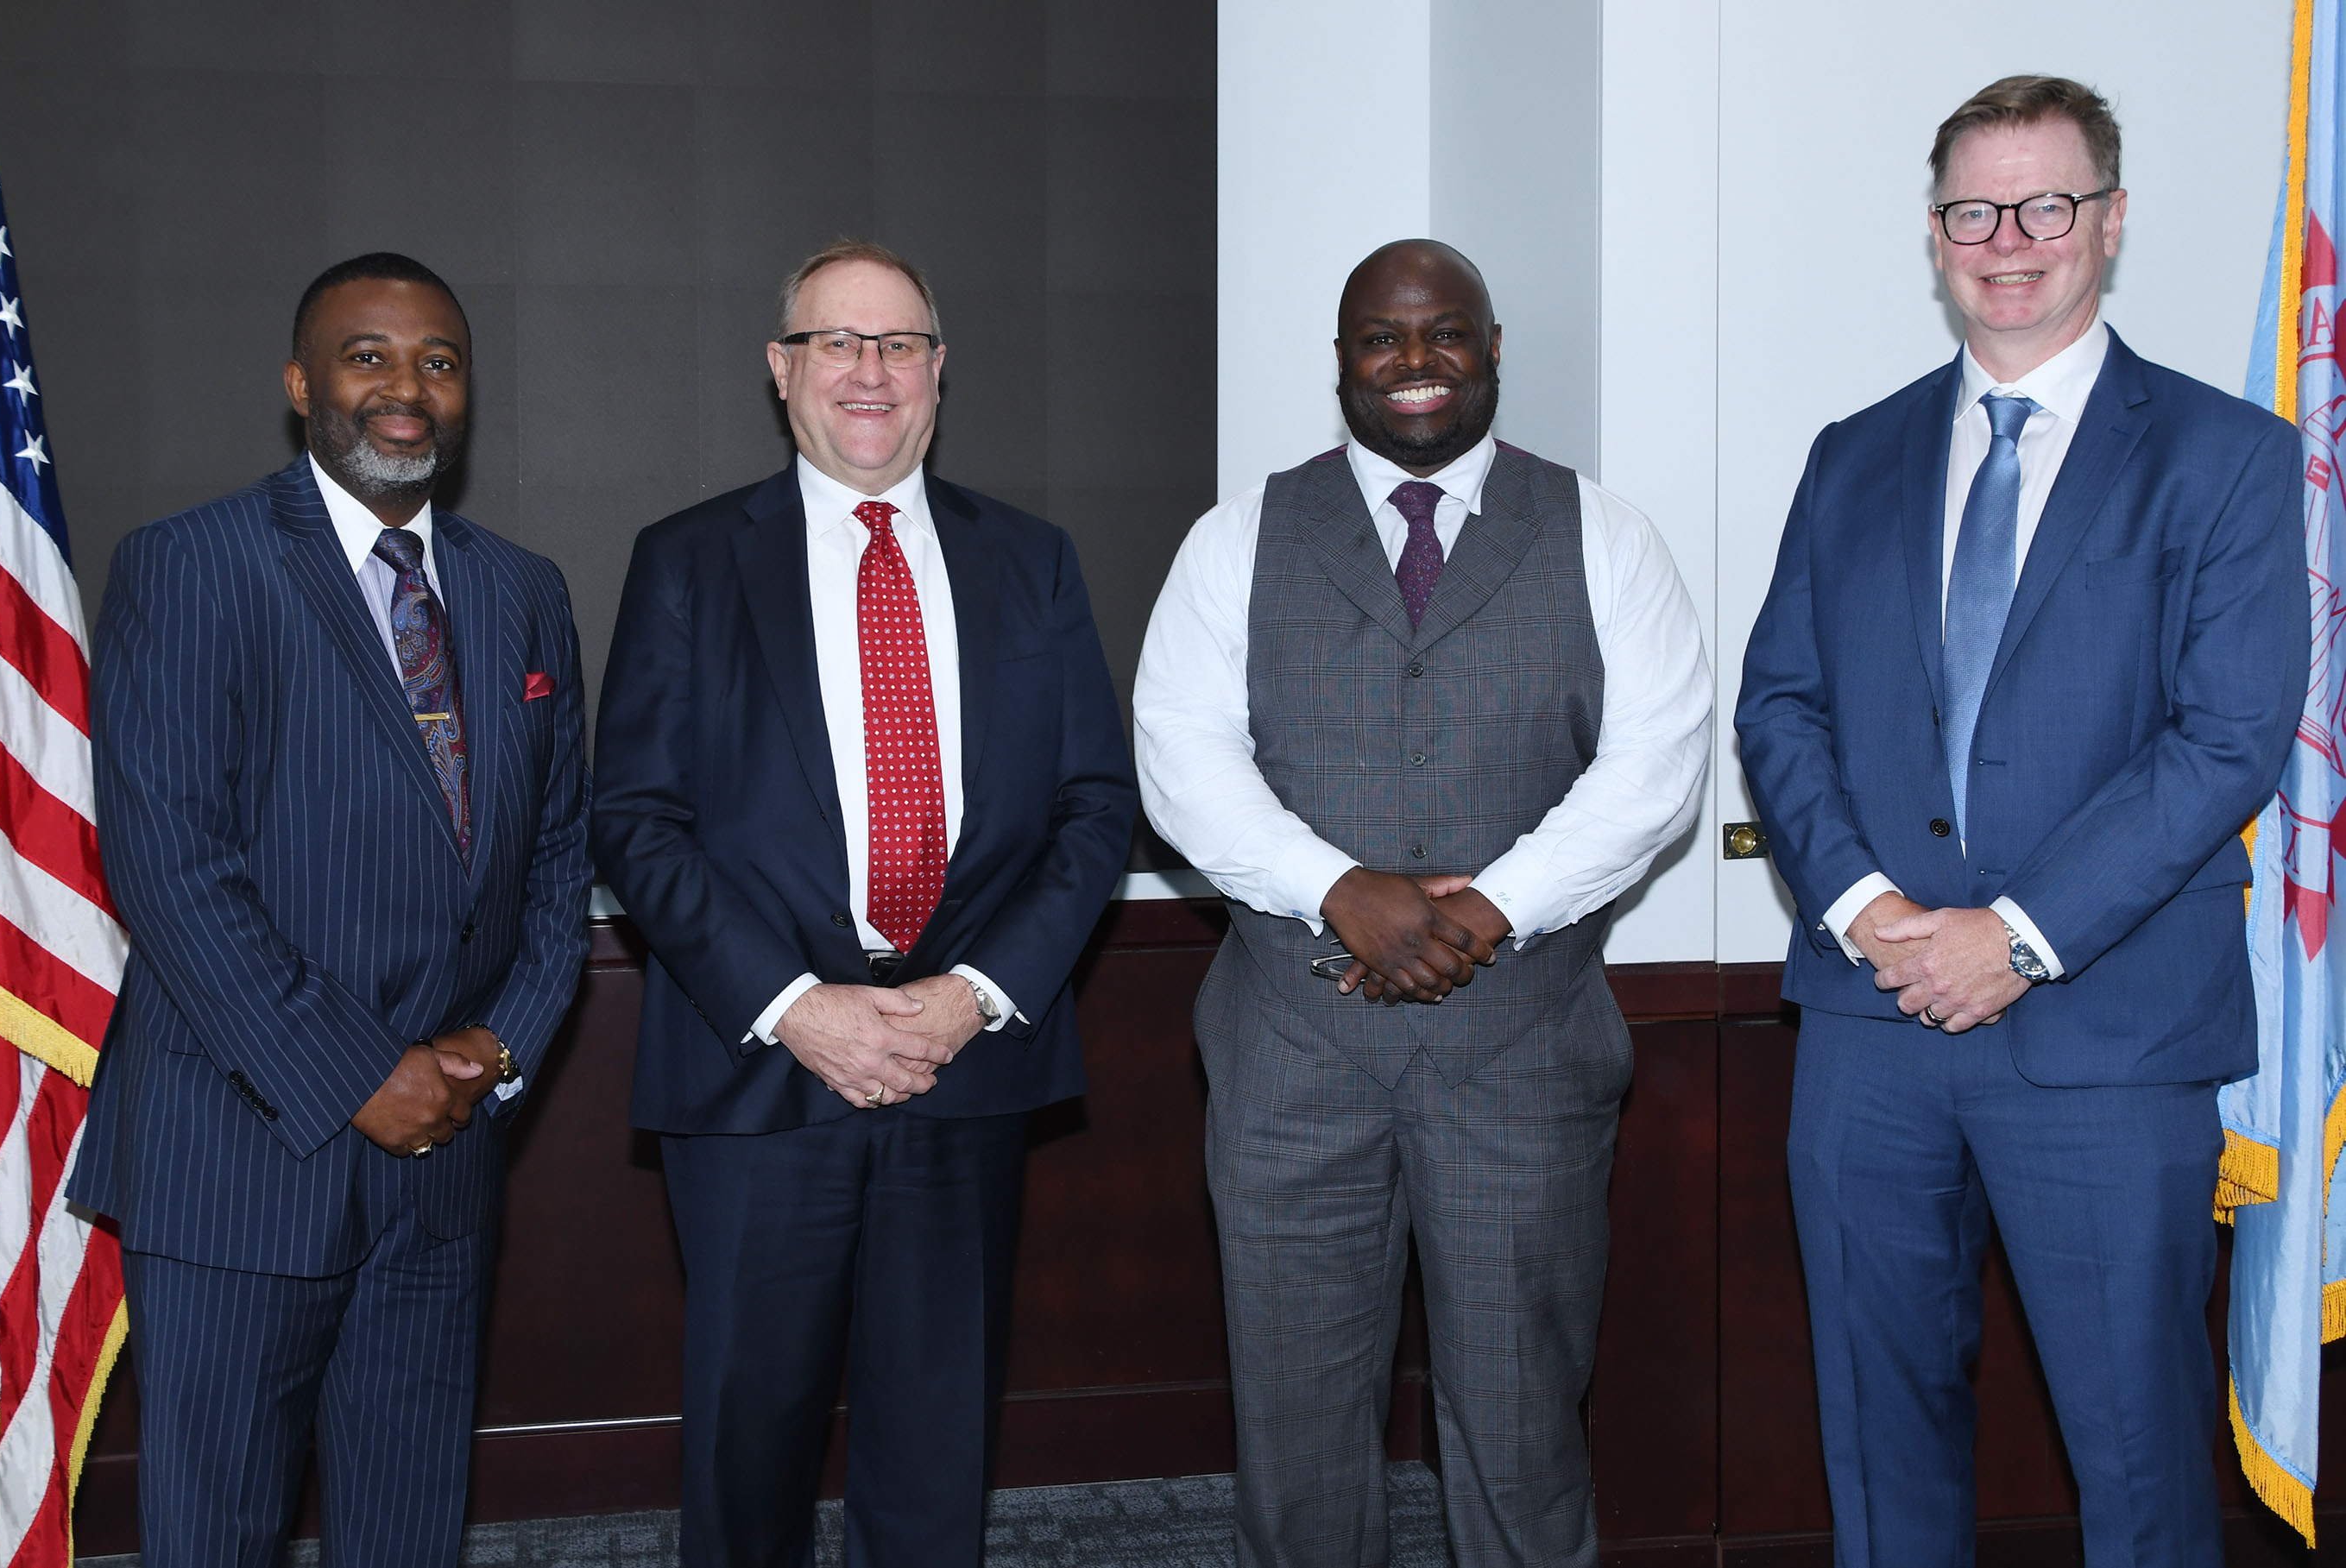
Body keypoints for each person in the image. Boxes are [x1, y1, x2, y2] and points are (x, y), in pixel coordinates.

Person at [1736, 76, 2305, 1565]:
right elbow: (1779, 706)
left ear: (2109, 224)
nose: (2010, 239)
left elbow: (2228, 738)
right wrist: (1866, 909)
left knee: (2138, 1462)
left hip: (2111, 1048)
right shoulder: (1851, 455)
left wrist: (2020, 937)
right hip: (1869, 1033)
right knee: (1879, 1435)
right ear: (1935, 237)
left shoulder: (2226, 458)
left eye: (2047, 204)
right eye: (1975, 209)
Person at [1135, 239, 1712, 1567]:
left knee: (1520, 1429)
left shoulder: (1605, 532)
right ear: (1340, 362)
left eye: (1443, 334)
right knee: (1295, 1434)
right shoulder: (1239, 536)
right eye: (1380, 341)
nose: (1413, 364)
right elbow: (1180, 752)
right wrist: (1339, 891)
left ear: (1495, 346)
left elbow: (1658, 765)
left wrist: (1488, 909)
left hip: (1523, 1058)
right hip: (1290, 1061)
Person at [590, 238, 1135, 1567]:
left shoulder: (1034, 561)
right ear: (783, 372)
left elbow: (1092, 812)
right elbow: (635, 821)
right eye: (838, 341)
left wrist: (967, 998)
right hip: (759, 1074)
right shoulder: (687, 561)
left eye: (899, 344)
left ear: (941, 373)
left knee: (938, 1445)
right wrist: (799, 1009)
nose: (870, 370)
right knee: (745, 1444)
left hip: (967, 1069)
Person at [73, 252, 593, 1566]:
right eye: (369, 356)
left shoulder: (524, 591)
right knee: (218, 1536)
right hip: (246, 1159)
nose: (406, 388)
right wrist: (364, 1074)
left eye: (438, 361)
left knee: (409, 1531)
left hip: (446, 1167)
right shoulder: (190, 565)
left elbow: (553, 860)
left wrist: (501, 1048)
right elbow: (172, 871)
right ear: (302, 383)